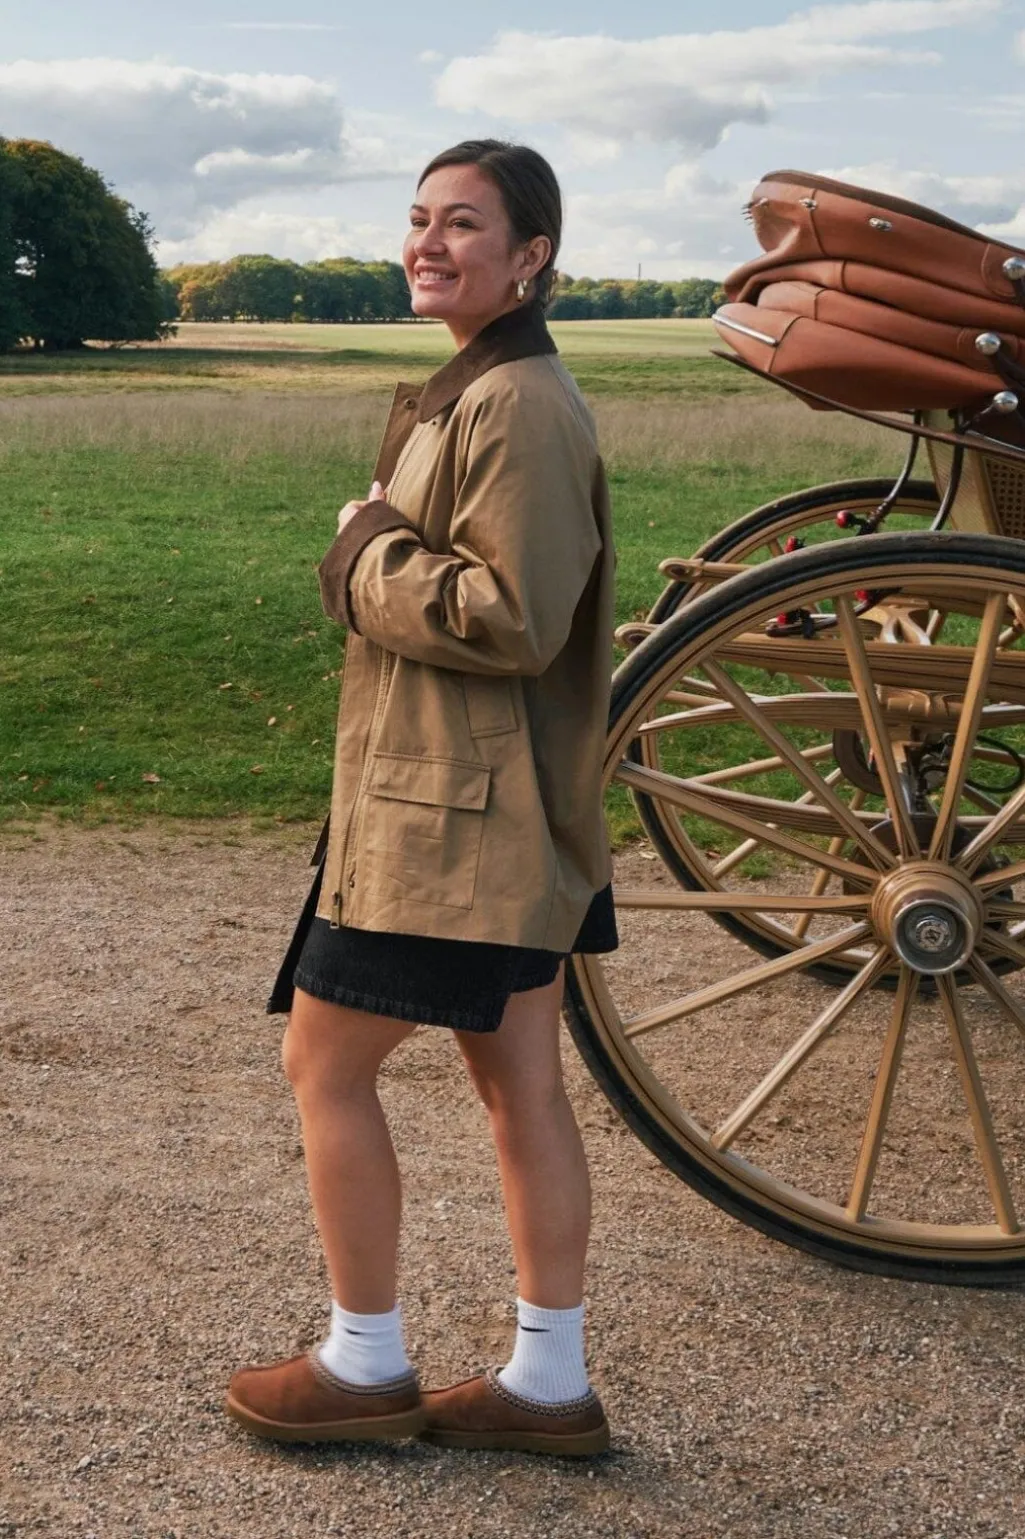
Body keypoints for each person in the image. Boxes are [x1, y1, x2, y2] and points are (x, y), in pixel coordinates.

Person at [224, 139, 618, 1457]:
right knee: (521, 1086)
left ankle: (363, 1363)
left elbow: (513, 616)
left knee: (323, 1064)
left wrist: (364, 552)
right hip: (490, 816)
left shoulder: (518, 406)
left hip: (454, 823)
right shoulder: (487, 386)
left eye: (463, 224)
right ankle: (546, 1387)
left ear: (531, 256)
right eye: (419, 218)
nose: (427, 243)